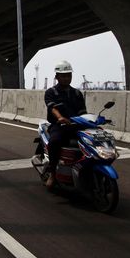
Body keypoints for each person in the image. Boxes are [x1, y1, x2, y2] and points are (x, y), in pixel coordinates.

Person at [43, 60, 87, 188]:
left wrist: (91, 123)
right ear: (57, 77)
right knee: (55, 141)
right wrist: (61, 118)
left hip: (75, 125)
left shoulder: (77, 93)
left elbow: (83, 112)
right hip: (59, 125)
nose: (67, 78)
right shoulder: (51, 92)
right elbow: (52, 108)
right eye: (64, 75)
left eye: (69, 75)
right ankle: (52, 174)